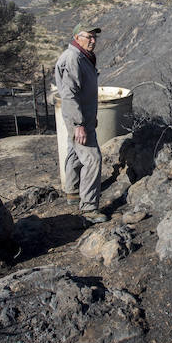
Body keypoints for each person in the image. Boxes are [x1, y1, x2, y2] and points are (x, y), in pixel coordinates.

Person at [54, 23, 108, 224]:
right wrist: (79, 124)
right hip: (78, 118)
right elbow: (69, 95)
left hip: (83, 116)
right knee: (92, 158)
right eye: (89, 36)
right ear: (77, 36)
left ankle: (73, 191)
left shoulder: (82, 56)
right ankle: (89, 208)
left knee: (74, 151)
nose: (93, 40)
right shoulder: (73, 59)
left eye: (95, 37)